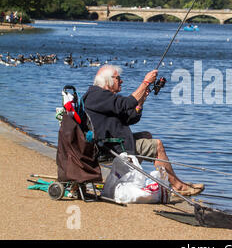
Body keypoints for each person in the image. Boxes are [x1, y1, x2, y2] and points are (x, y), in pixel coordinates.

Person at [83, 64, 204, 196]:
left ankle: (134, 178)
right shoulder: (97, 95)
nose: (121, 81)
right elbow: (126, 103)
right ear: (108, 80)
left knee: (147, 135)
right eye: (118, 78)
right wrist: (145, 82)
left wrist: (139, 104)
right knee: (157, 145)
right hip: (110, 146)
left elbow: (128, 119)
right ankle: (177, 186)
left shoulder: (101, 96)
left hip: (113, 141)